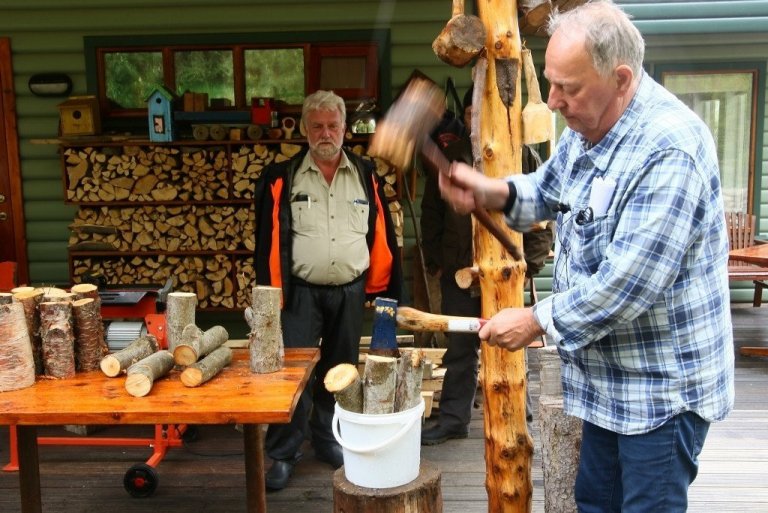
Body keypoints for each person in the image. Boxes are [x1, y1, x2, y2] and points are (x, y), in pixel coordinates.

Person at [437, 2, 734, 511]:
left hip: (661, 394)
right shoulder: (587, 130)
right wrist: (489, 191)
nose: (552, 101)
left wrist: (534, 320)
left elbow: (626, 287)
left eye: (567, 88)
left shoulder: (669, 149)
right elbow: (547, 189)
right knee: (594, 504)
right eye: (550, 83)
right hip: (608, 388)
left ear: (620, 79)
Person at [253, 90, 403, 491]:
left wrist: (382, 287)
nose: (325, 133)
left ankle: (327, 440)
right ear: (304, 129)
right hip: (300, 292)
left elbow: (381, 234)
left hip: (350, 292)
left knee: (340, 372)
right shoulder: (281, 178)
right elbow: (265, 240)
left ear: (345, 129)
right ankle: (283, 454)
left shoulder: (365, 173)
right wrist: (270, 293)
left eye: (332, 125)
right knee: (294, 377)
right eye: (316, 125)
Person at [419, 84, 553, 445]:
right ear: (464, 119)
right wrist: (438, 262)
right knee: (460, 349)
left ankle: (518, 414)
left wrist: (530, 264)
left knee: (512, 345)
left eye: (482, 114)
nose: (476, 122)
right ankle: (452, 419)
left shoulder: (525, 160)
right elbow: (431, 214)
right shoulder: (453, 159)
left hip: (508, 274)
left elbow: (544, 224)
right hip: (460, 274)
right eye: (469, 115)